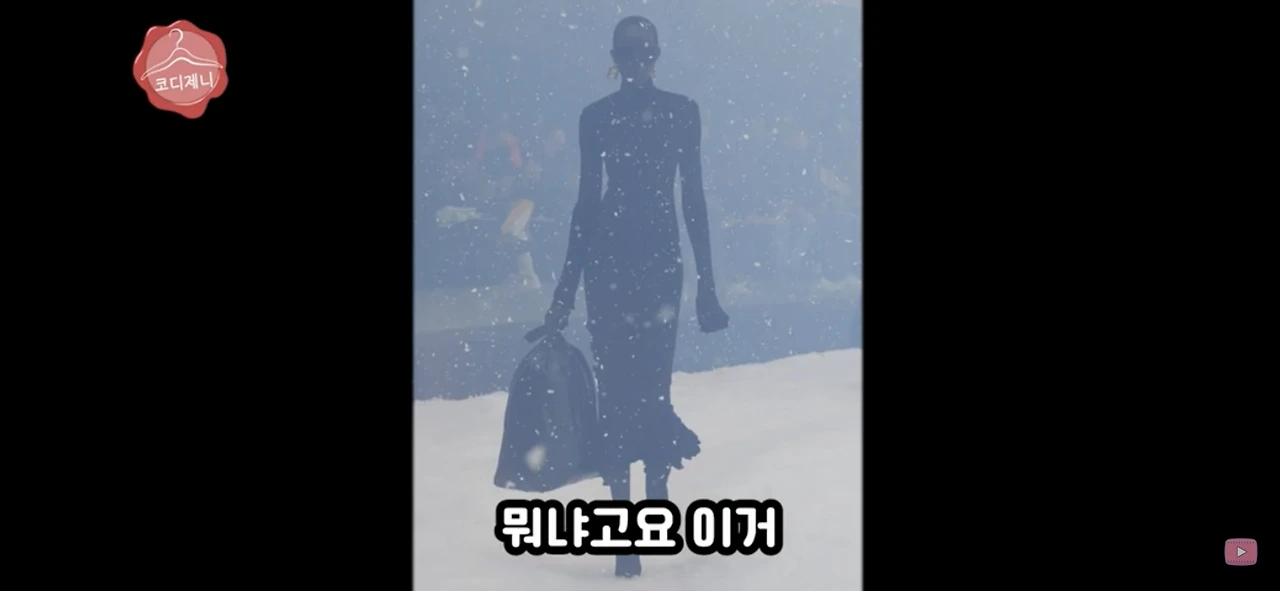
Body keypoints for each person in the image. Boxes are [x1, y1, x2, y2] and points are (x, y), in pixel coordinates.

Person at [543, 15, 730, 578]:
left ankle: (648, 498)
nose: (635, 62)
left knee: (642, 386)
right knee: (627, 388)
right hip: (628, 263)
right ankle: (633, 513)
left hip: (644, 263)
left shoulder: (664, 113)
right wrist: (563, 292)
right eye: (629, 54)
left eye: (640, 53)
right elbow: (589, 204)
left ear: (651, 55)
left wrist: (709, 284)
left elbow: (691, 199)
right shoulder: (621, 116)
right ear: (620, 59)